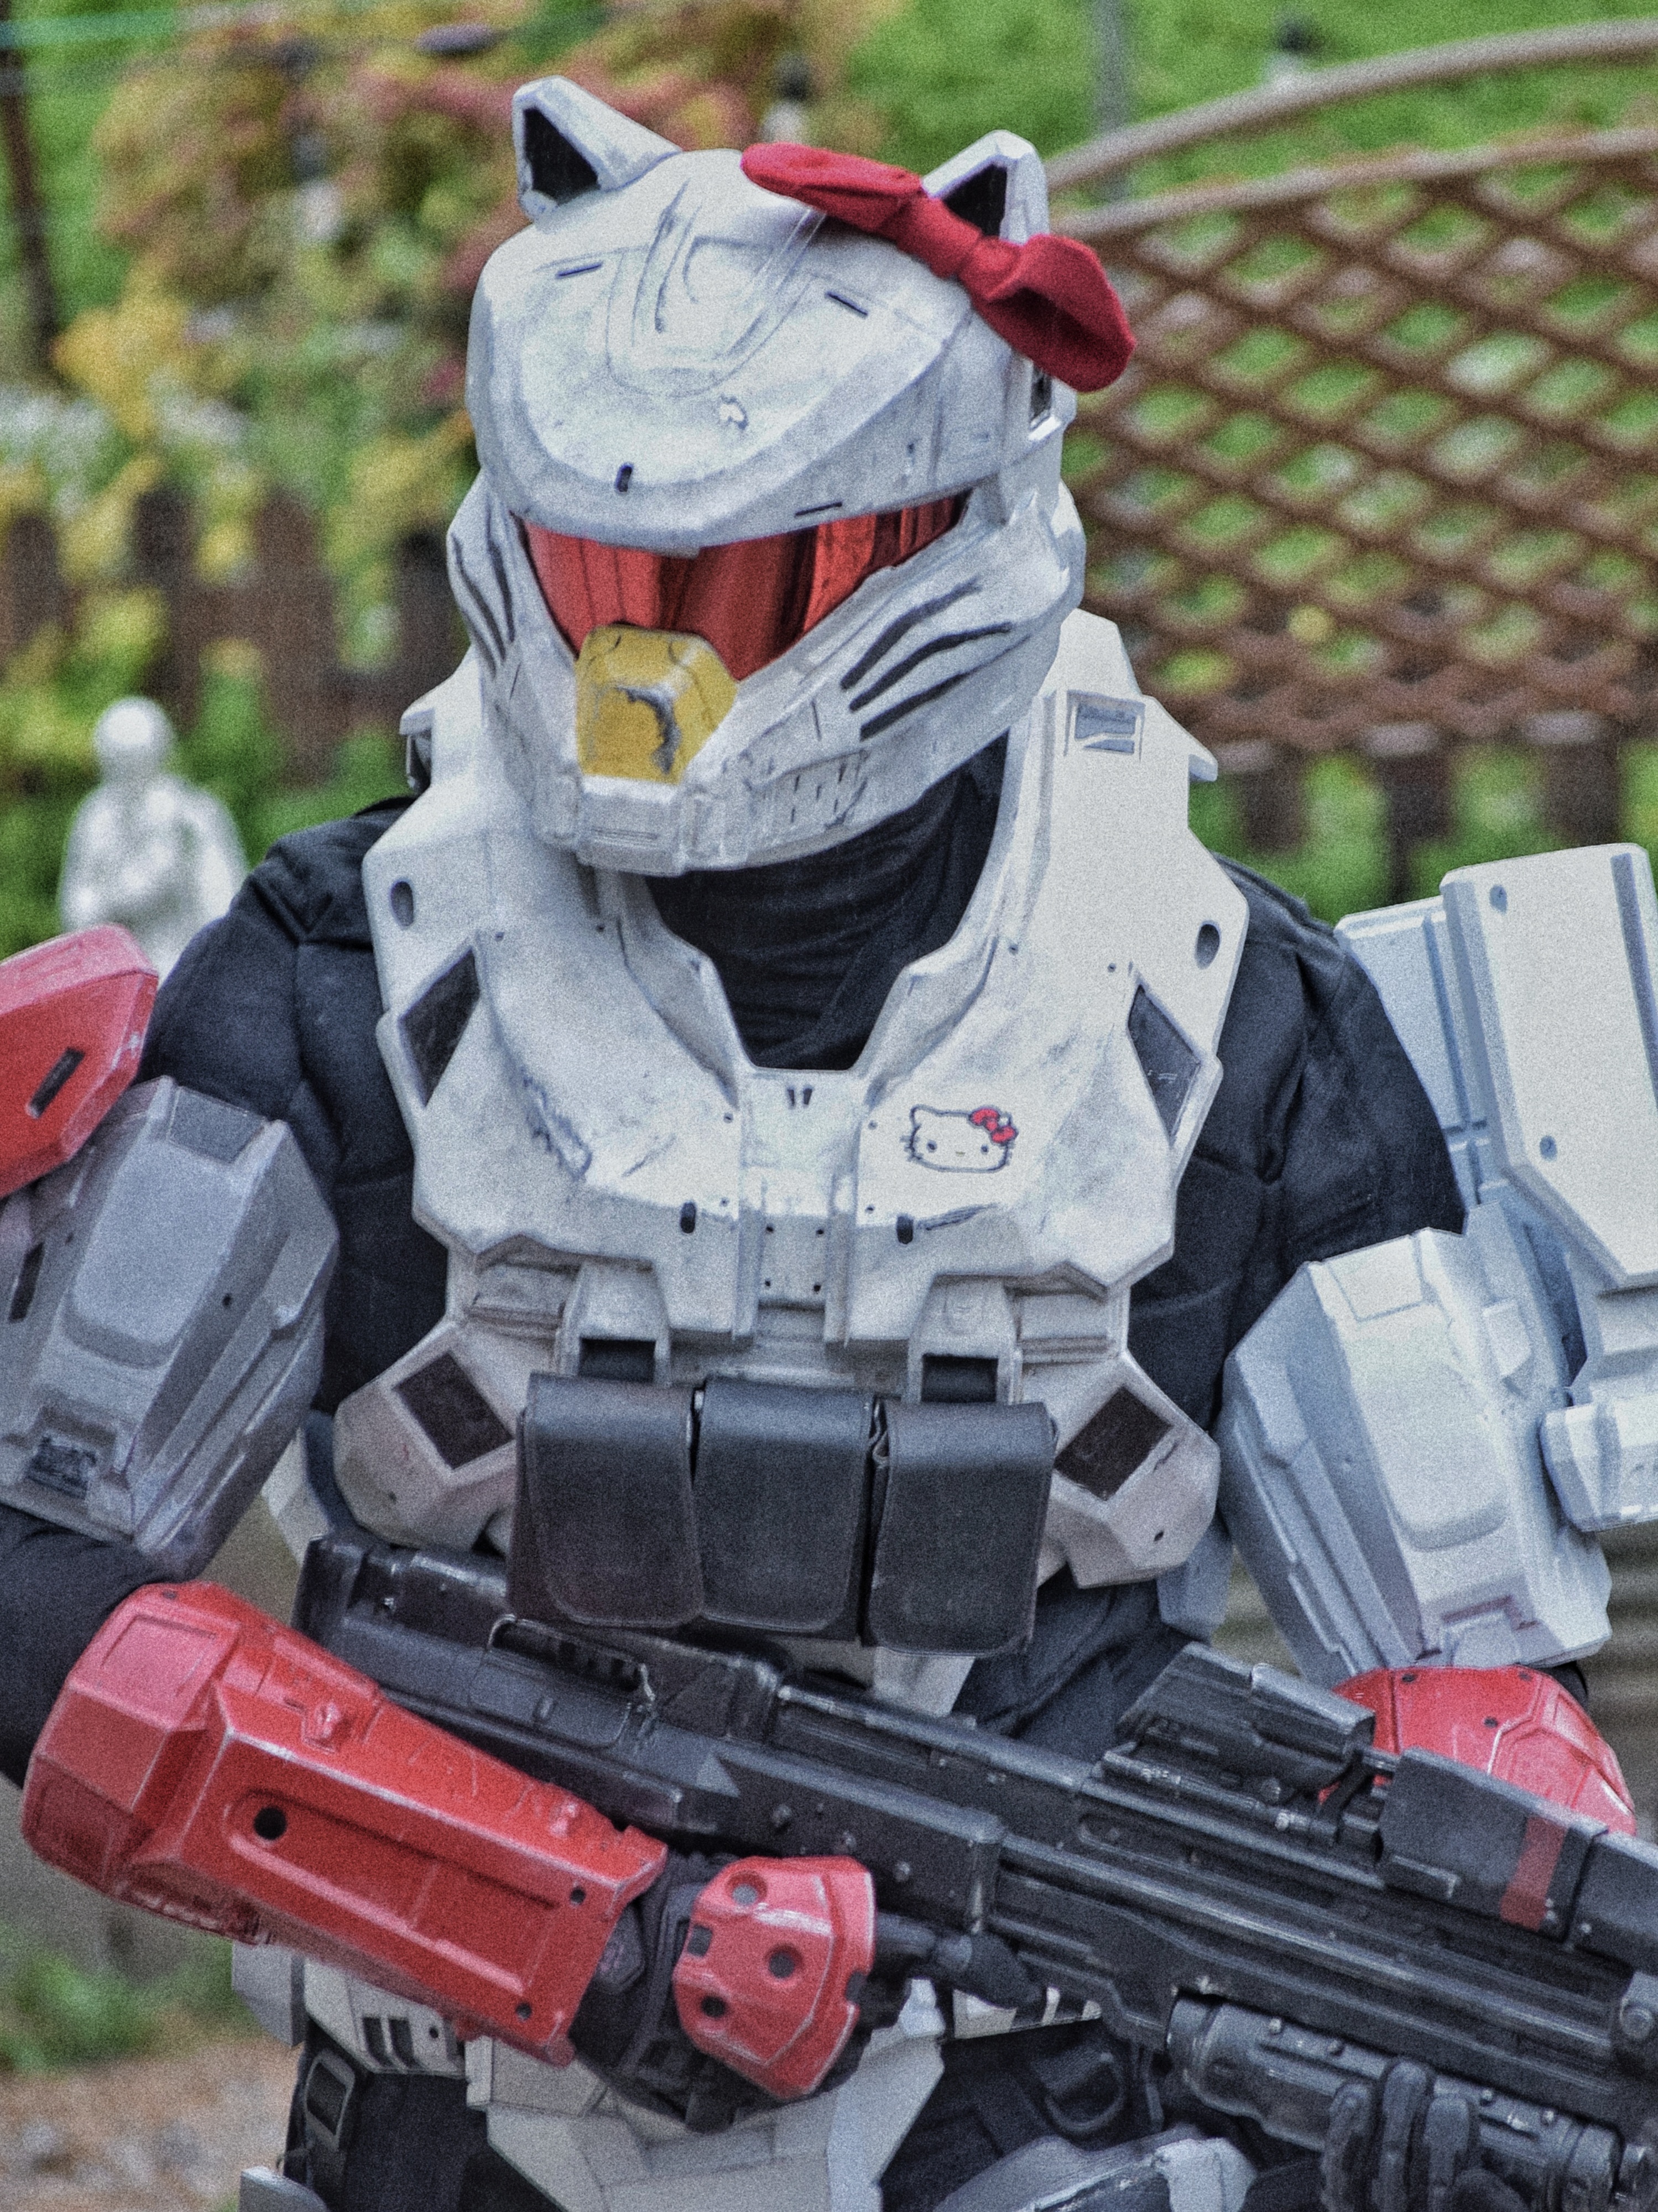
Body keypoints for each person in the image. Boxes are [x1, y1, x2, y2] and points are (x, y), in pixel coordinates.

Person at [1, 81, 1641, 2212]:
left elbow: (1468, 1696)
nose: (648, 665)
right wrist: (585, 1930)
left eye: (743, 584)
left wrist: (1455, 2056)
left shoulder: (1227, 1014)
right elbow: (41, 1584)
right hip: (459, 2114)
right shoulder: (335, 977)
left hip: (1029, 2121)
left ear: (945, 534)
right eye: (602, 576)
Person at [58, 695, 246, 977]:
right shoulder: (96, 817)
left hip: (183, 973)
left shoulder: (193, 814)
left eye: (134, 759)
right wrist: (122, 897)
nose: (127, 772)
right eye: (117, 760)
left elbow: (223, 909)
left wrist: (176, 879)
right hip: (118, 977)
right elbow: (74, 912)